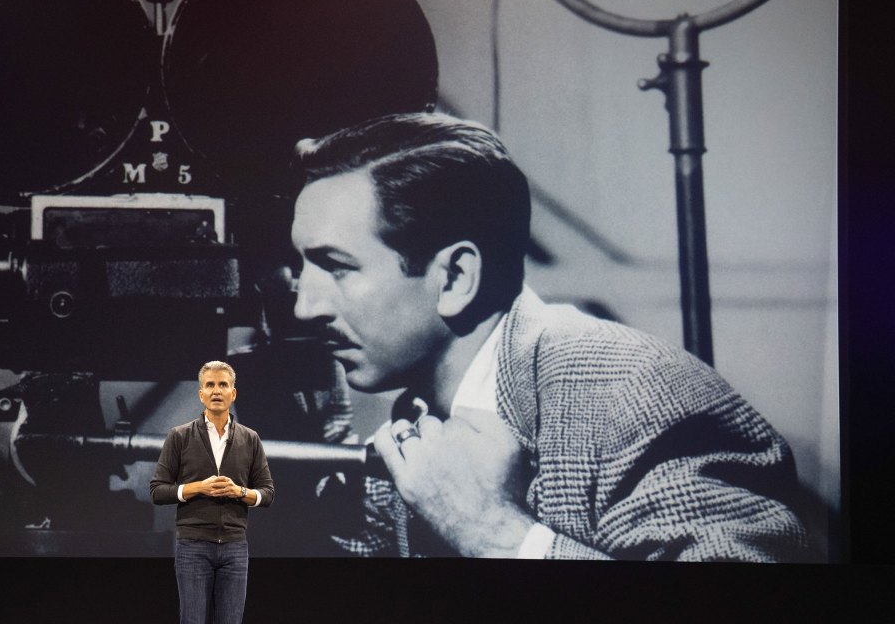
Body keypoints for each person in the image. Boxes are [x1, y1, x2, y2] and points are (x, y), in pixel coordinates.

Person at [288, 112, 809, 561]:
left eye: (336, 266)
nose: (303, 307)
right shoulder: (419, 419)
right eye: (301, 269)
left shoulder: (634, 393)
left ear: (455, 278)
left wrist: (494, 530)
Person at [149, 360, 275, 624]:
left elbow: (267, 493)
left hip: (234, 548)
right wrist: (197, 488)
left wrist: (240, 492)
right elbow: (157, 490)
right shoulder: (180, 437)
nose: (216, 391)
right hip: (193, 546)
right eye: (209, 385)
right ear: (200, 393)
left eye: (222, 385)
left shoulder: (249, 439)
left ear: (233, 393)